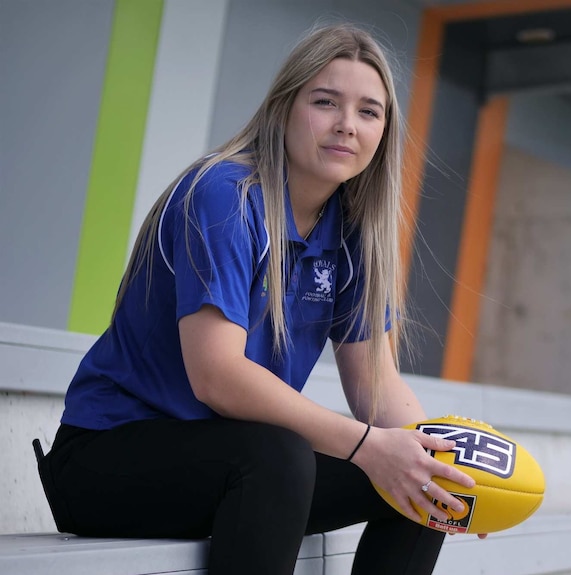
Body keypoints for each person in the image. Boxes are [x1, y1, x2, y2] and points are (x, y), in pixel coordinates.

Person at [38, 23, 479, 575]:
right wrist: (368, 446)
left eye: (369, 112)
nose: (347, 125)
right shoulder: (223, 194)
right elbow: (218, 377)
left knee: (424, 481)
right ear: (284, 108)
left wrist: (437, 460)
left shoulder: (355, 232)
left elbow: (376, 381)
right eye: (325, 103)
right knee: (280, 454)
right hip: (109, 460)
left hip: (239, 464)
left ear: (384, 132)